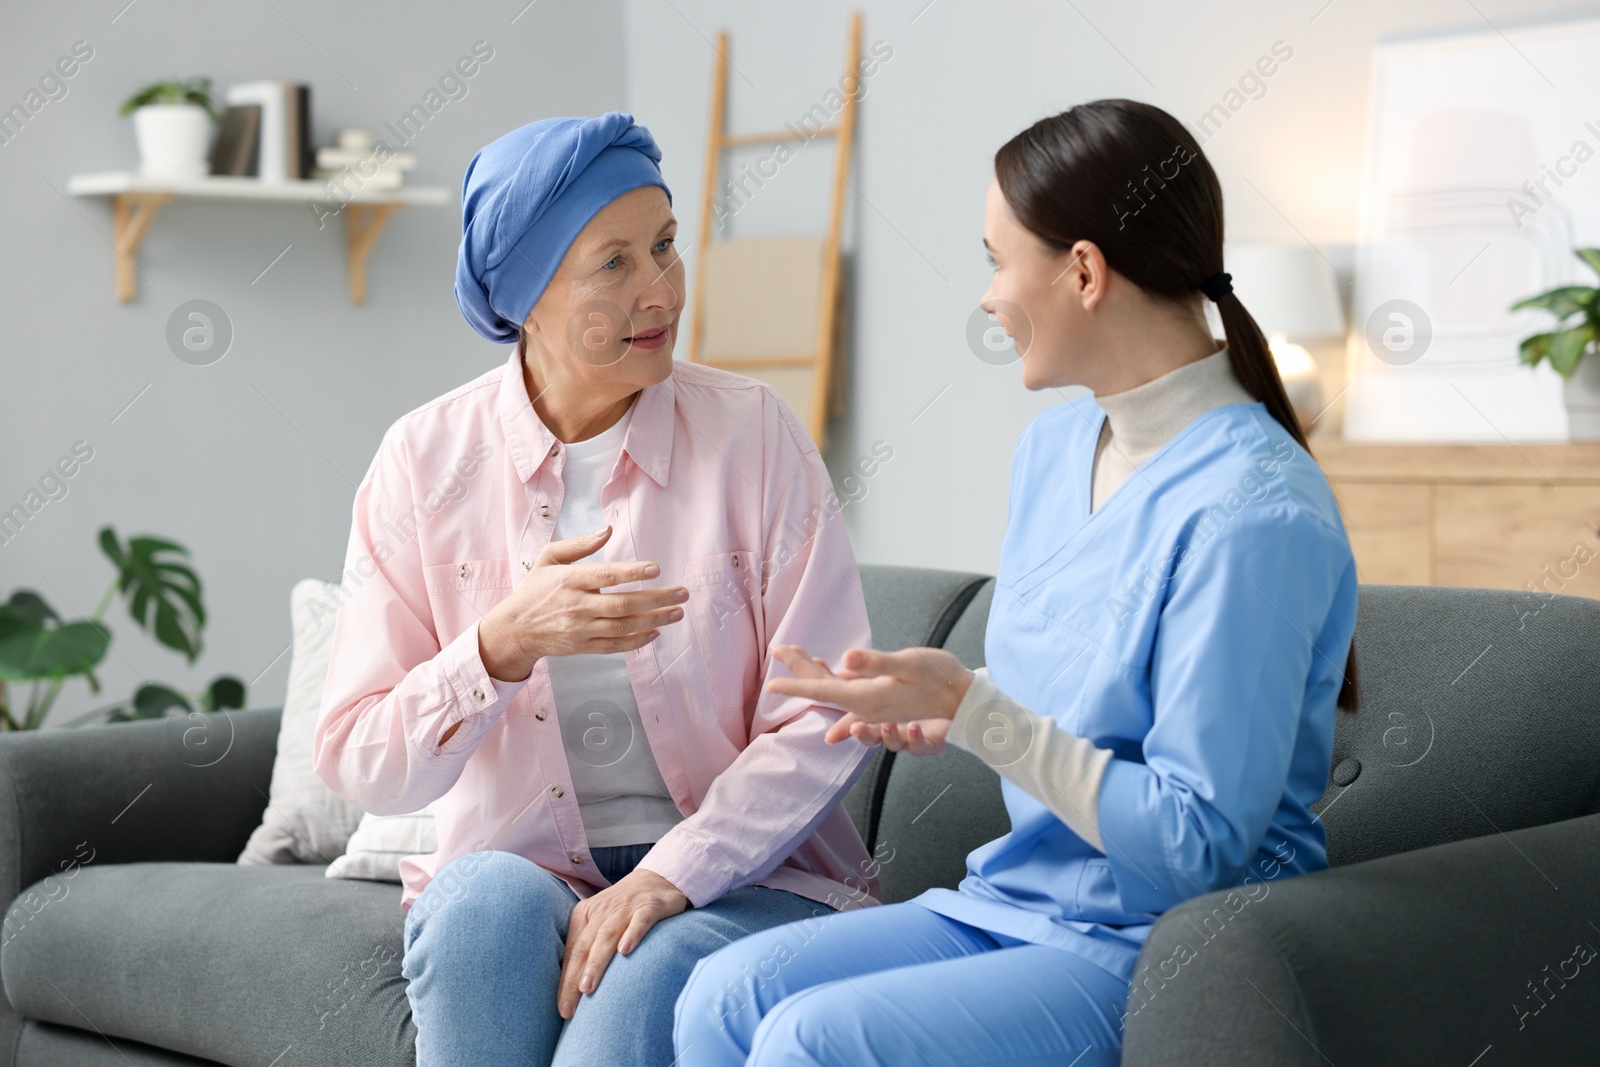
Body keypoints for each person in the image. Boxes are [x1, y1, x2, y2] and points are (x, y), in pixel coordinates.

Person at [672, 98, 1362, 1066]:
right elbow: (1045, 714)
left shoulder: (1254, 511)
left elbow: (1193, 845)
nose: (990, 297)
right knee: (722, 991)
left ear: (1083, 270)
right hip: (1015, 901)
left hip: (1172, 944)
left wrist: (978, 712)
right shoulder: (1054, 449)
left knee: (810, 1039)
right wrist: (940, 709)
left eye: (998, 259)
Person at [312, 112, 880, 1067]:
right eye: (613, 264)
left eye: (664, 245)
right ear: (527, 296)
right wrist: (498, 647)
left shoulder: (752, 435)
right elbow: (362, 761)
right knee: (479, 912)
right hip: (520, 864)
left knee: (642, 980)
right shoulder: (423, 462)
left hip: (743, 873)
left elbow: (821, 713)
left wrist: (670, 874)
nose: (660, 290)